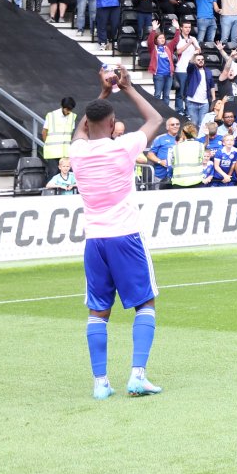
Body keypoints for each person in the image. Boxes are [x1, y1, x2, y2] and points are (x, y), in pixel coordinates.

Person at [71, 69, 165, 399]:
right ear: (113, 125)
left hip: (94, 240)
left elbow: (82, 128)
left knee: (98, 310)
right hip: (125, 235)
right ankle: (137, 375)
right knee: (145, 303)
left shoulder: (77, 153)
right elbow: (155, 119)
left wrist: (104, 92)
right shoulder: (123, 147)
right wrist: (128, 87)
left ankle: (100, 383)